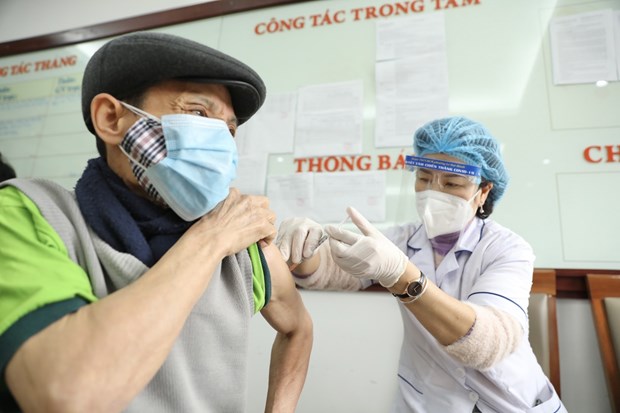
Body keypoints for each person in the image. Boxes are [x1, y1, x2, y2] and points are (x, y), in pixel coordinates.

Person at [0, 32, 313, 413]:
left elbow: (298, 328)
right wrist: (211, 239)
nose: (221, 143)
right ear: (111, 119)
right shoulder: (32, 214)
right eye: (198, 114)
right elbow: (67, 394)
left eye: (229, 130)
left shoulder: (242, 248)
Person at [277, 116, 566, 413]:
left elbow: (488, 343)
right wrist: (306, 246)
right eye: (424, 178)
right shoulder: (402, 239)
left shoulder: (507, 248)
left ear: (483, 191)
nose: (434, 192)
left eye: (452, 183)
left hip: (510, 402)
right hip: (428, 402)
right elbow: (329, 270)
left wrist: (402, 276)